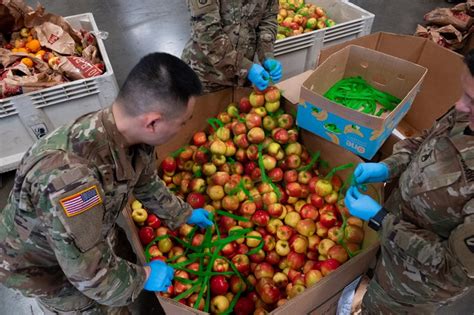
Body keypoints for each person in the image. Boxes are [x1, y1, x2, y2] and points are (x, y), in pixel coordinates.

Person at [0, 52, 213, 314]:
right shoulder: (71, 178)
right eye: (182, 123)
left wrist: (183, 214)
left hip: (81, 234)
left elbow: (145, 182)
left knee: (117, 260)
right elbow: (87, 272)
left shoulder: (127, 133)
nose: (183, 128)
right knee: (89, 307)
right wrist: (143, 278)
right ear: (153, 122)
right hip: (44, 265)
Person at [344, 51, 474, 314]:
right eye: (464, 93)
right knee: (371, 281)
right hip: (391, 239)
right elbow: (426, 140)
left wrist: (381, 219)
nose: (460, 105)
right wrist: (386, 168)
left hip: (414, 284)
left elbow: (453, 269)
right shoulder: (466, 114)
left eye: (472, 100)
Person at [182, 0, 282, 93]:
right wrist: (244, 66)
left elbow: (268, 18)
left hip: (243, 79)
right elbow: (207, 32)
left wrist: (266, 53)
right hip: (207, 77)